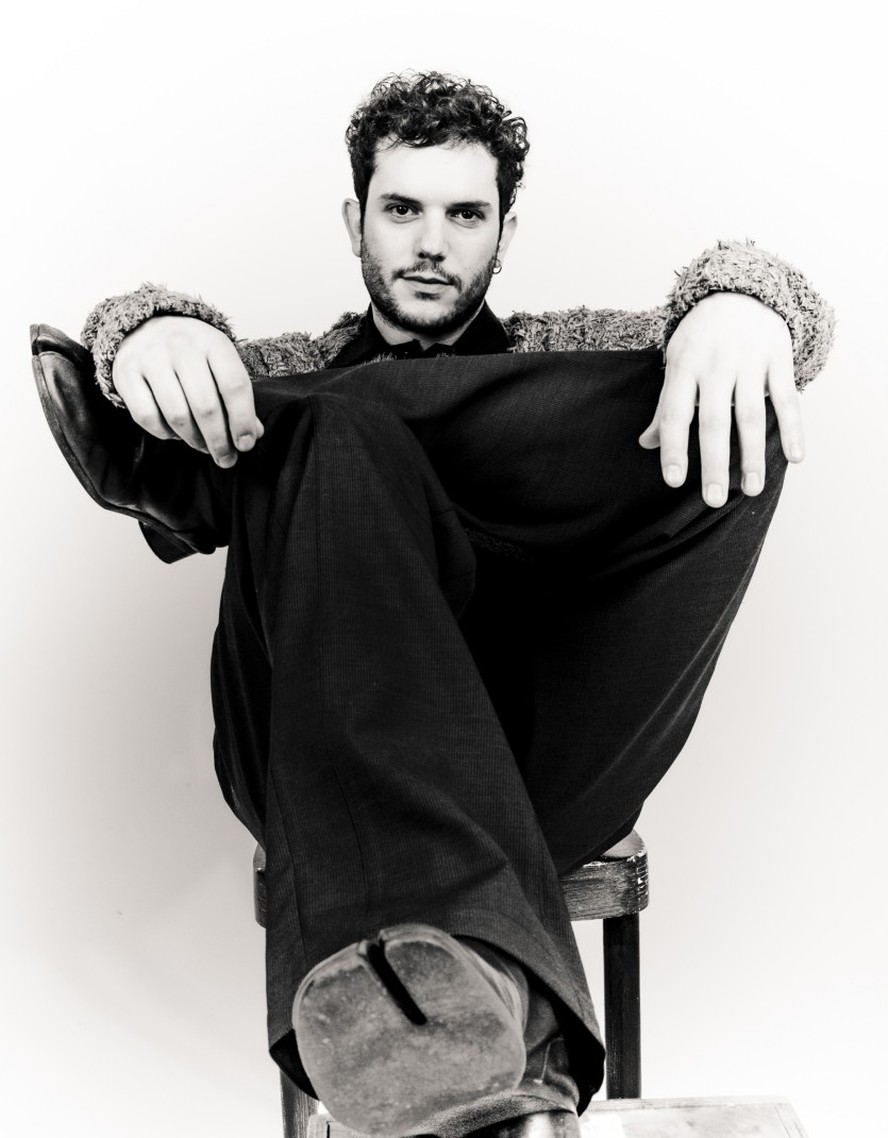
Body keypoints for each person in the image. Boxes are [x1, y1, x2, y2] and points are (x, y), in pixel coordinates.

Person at [76, 72, 833, 1138]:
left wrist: (744, 306)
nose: (432, 243)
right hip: (310, 748)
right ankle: (515, 1052)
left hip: (538, 753)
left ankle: (194, 471)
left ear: (504, 233)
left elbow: (786, 323)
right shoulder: (291, 368)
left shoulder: (558, 356)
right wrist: (147, 331)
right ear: (355, 220)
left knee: (726, 411)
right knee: (339, 434)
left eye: (465, 215)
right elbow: (115, 343)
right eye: (402, 209)